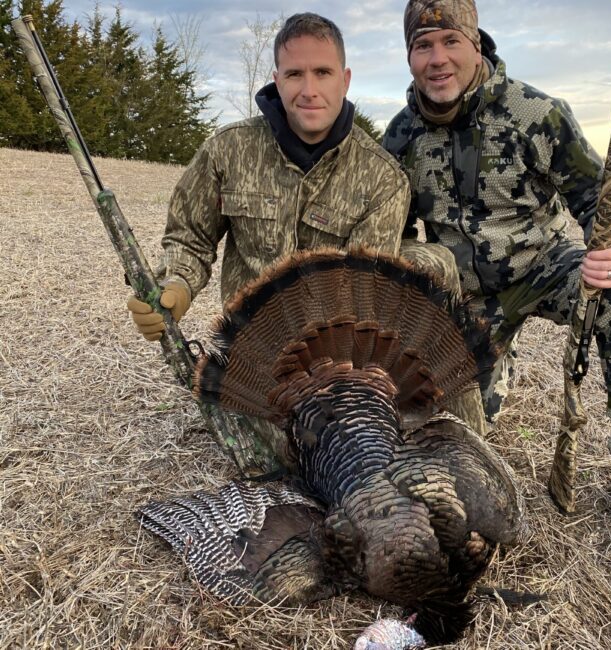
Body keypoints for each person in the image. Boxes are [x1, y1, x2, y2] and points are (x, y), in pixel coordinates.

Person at [383, 0, 611, 553]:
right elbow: (391, 235)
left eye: (451, 42)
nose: (438, 59)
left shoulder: (535, 114)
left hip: (544, 267)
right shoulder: (399, 139)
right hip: (464, 299)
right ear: (408, 56)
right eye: (423, 46)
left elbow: (599, 200)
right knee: (457, 443)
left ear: (476, 45)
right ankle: (493, 367)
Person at [127, 13, 410, 467]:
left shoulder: (382, 179)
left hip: (331, 368)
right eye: (295, 73)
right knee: (264, 461)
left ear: (346, 79)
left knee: (339, 463)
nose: (308, 89)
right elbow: (190, 238)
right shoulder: (227, 149)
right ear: (276, 79)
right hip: (249, 361)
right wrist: (176, 285)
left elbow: (363, 300)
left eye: (322, 72)